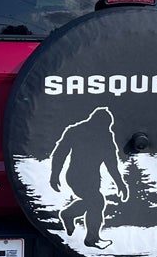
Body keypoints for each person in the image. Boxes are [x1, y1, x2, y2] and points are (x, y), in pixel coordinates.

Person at [49, 107, 129, 249]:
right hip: (76, 176)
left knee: (92, 202)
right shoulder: (76, 131)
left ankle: (68, 214)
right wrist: (54, 175)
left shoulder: (105, 136)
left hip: (92, 178)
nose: (106, 129)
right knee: (97, 201)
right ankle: (92, 239)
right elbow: (60, 153)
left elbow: (111, 164)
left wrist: (120, 183)